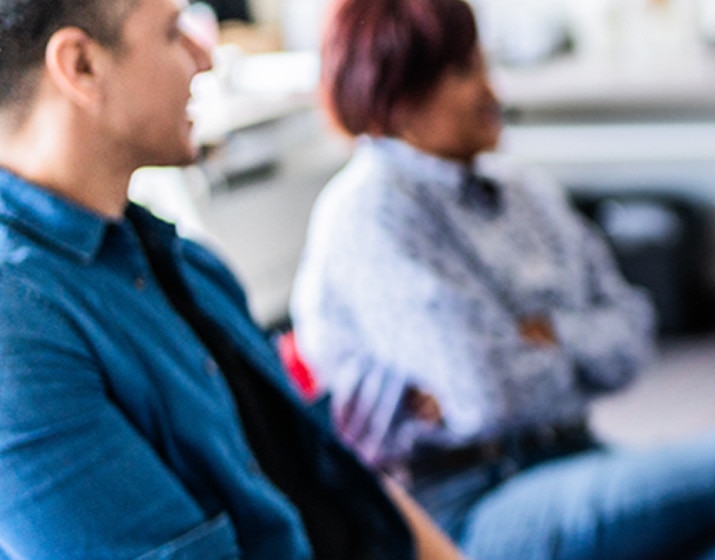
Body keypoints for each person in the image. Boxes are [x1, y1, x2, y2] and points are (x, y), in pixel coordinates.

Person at [291, 0, 715, 558]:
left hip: (574, 460)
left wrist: (546, 335)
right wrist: (557, 352)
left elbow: (633, 333)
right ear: (399, 99)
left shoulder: (523, 191)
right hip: (464, 510)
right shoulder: (368, 212)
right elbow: (486, 393)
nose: (494, 91)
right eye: (465, 72)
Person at [0, 0, 461, 557]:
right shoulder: (20, 332)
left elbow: (334, 476)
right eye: (173, 33)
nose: (205, 54)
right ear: (82, 67)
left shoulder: (182, 262)